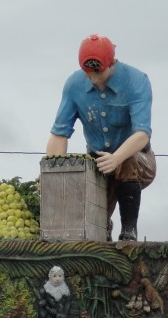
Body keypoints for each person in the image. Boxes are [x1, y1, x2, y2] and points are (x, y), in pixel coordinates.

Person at [47, 34, 156, 241]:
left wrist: (116, 158)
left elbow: (142, 133)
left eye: (98, 71)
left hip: (136, 160)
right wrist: (52, 174)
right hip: (97, 162)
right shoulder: (74, 85)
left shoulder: (136, 80)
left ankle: (129, 231)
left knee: (127, 160)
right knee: (91, 221)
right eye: (88, 73)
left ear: (112, 63)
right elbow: (59, 134)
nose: (94, 78)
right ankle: (102, 230)